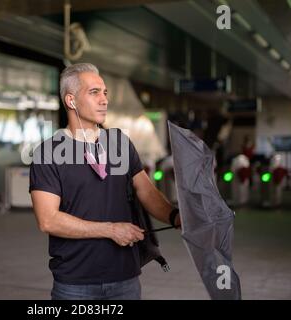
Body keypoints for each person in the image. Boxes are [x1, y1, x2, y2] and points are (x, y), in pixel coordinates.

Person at [29, 63, 180, 300]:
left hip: (126, 279)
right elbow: (48, 220)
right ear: (71, 101)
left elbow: (146, 192)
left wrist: (175, 217)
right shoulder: (48, 153)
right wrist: (111, 230)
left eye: (105, 92)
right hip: (75, 283)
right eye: (94, 92)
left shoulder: (120, 143)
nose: (104, 100)